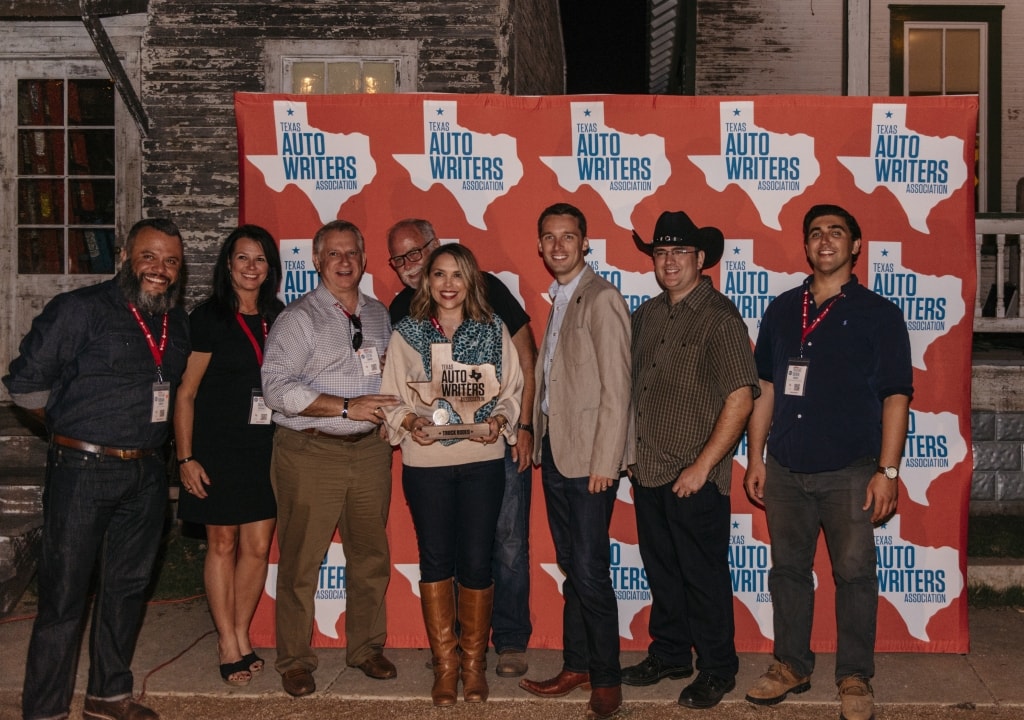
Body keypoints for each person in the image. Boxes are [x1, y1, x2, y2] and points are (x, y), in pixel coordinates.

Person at [4, 218, 189, 720]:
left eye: (171, 261)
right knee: (64, 595)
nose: (160, 269)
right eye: (150, 256)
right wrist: (68, 428)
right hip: (82, 470)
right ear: (126, 255)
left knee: (127, 591)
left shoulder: (175, 323)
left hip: (147, 474)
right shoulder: (79, 309)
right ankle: (45, 710)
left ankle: (108, 697)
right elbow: (25, 386)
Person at [742, 204, 913, 720]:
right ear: (806, 245)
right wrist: (756, 457)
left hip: (851, 470)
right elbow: (767, 387)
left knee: (856, 574)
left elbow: (896, 397)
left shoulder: (879, 313)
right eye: (815, 233)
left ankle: (855, 676)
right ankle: (790, 665)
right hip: (786, 471)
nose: (825, 240)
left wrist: (887, 472)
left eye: (837, 232)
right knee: (788, 571)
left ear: (856, 246)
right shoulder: (781, 308)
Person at [386, 218, 537, 677]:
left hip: (483, 458)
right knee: (437, 557)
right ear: (427, 279)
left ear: (469, 279)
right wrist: (410, 421)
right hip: (428, 460)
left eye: (455, 274)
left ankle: (485, 656)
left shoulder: (492, 323)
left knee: (494, 549)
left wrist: (510, 422)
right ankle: (446, 660)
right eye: (437, 274)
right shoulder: (404, 327)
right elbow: (391, 397)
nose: (446, 282)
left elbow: (518, 377)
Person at [624, 211, 759, 709]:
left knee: (702, 577)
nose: (669, 261)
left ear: (701, 259)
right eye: (661, 253)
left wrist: (702, 467)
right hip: (650, 470)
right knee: (662, 571)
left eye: (680, 252)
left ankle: (719, 668)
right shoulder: (647, 314)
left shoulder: (720, 318)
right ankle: (671, 653)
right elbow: (633, 390)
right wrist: (630, 454)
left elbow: (741, 398)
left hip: (695, 476)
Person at [260, 219, 399, 698]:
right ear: (317, 261)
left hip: (369, 452)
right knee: (301, 561)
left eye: (352, 254)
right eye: (334, 254)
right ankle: (295, 660)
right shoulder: (298, 318)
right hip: (309, 451)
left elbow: (389, 381)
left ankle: (366, 648)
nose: (344, 262)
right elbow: (275, 388)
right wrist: (343, 407)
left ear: (364, 260)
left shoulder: (380, 315)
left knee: (370, 557)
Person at [518, 203, 630, 720]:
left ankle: (606, 679)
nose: (558, 245)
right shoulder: (560, 298)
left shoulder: (602, 297)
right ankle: (577, 663)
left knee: (589, 570)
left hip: (590, 460)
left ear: (586, 243)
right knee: (573, 569)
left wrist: (606, 461)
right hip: (557, 455)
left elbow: (617, 387)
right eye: (549, 237)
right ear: (540, 246)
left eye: (568, 237)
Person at [173, 225, 284, 686]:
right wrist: (185, 458)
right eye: (242, 258)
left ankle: (240, 632)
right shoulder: (209, 317)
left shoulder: (280, 315)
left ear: (270, 268)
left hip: (266, 447)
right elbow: (186, 393)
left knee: (257, 547)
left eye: (259, 260)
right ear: (227, 264)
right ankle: (224, 640)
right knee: (222, 543)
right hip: (216, 447)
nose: (250, 267)